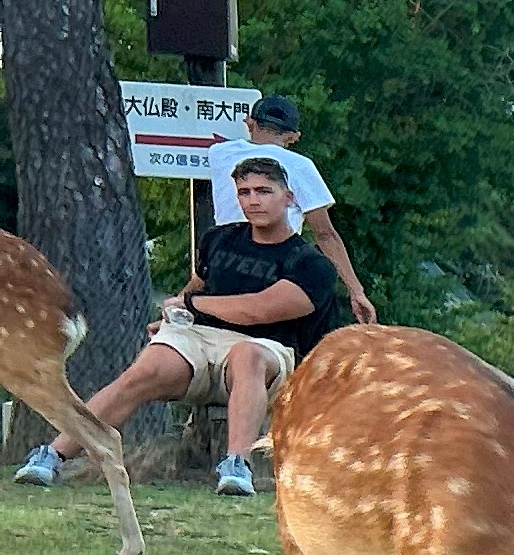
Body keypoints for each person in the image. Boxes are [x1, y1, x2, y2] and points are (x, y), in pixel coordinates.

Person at [15, 157, 338, 498]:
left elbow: (259, 310)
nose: (253, 200)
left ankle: (236, 465)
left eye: (263, 191)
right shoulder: (220, 239)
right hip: (198, 339)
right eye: (244, 192)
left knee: (247, 356)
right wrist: (175, 315)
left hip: (266, 348)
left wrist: (192, 305)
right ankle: (52, 456)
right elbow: (198, 285)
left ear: (288, 198)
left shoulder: (310, 263)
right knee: (143, 372)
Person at [199, 94, 376, 328]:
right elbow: (325, 235)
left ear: (249, 123)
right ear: (294, 137)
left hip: (223, 262)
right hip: (274, 267)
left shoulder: (219, 154)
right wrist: (356, 291)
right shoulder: (299, 166)